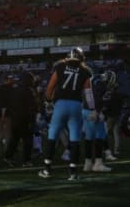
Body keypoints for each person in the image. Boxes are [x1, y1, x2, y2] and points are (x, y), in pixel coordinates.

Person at [39, 47, 96, 181]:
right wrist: (92, 109)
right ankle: (73, 173)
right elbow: (88, 93)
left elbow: (50, 88)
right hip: (76, 106)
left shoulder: (59, 67)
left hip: (60, 105)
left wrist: (48, 102)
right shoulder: (85, 71)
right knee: (75, 139)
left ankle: (47, 169)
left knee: (52, 137)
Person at [4, 72, 40, 167]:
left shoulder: (15, 90)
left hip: (15, 118)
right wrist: (33, 118)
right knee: (27, 140)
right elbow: (32, 106)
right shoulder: (29, 90)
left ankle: (8, 157)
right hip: (25, 118)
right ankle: (26, 160)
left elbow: (9, 104)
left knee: (14, 139)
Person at [82, 70, 113, 173]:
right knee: (100, 136)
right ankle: (98, 164)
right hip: (94, 110)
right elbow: (99, 99)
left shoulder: (93, 79)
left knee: (88, 138)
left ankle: (88, 163)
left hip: (85, 109)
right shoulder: (102, 84)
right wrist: (97, 111)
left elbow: (86, 93)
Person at [101, 71, 124, 161]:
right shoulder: (118, 94)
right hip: (117, 114)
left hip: (110, 115)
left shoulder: (110, 93)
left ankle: (107, 149)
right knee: (116, 133)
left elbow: (106, 104)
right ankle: (116, 150)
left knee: (106, 133)